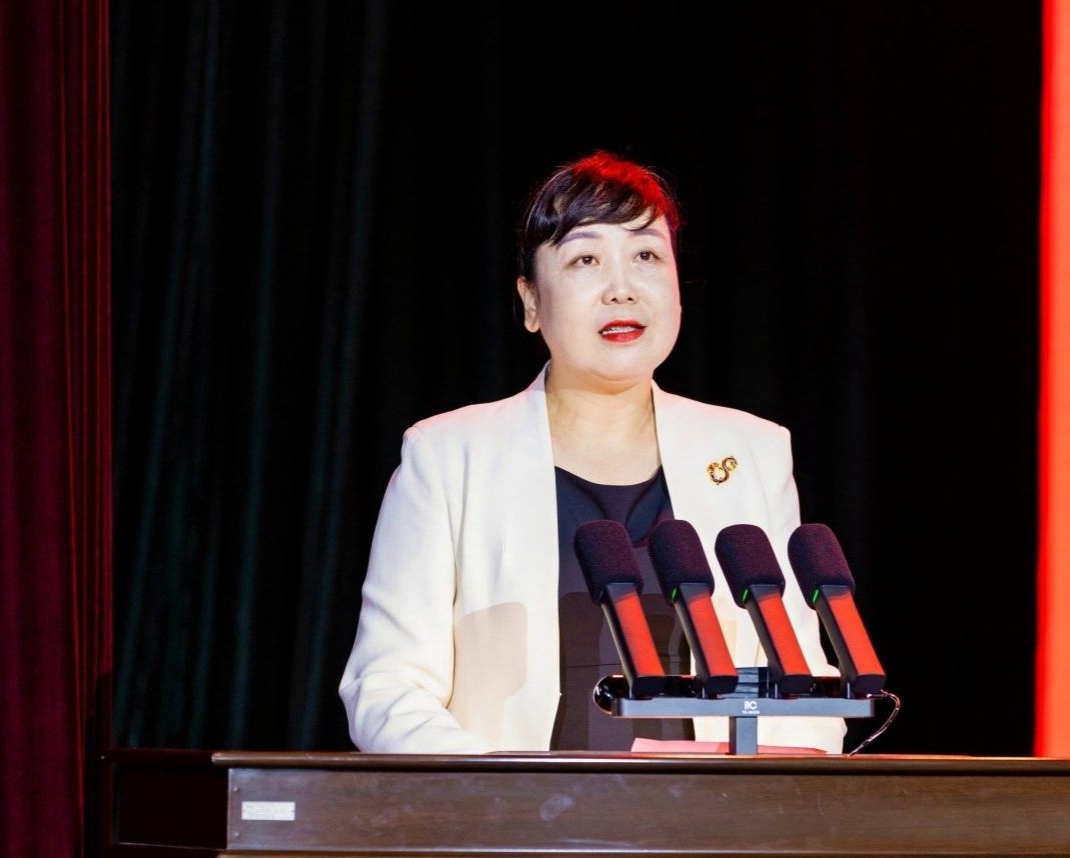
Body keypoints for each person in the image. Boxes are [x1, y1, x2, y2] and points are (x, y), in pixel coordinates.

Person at [340, 151, 843, 754]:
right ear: (531, 302)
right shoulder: (448, 456)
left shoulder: (753, 451)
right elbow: (388, 687)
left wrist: (763, 792)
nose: (622, 289)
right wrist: (499, 794)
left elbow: (801, 683)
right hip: (518, 809)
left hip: (710, 811)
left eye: (646, 256)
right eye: (585, 259)